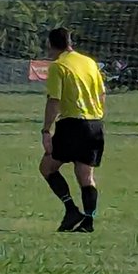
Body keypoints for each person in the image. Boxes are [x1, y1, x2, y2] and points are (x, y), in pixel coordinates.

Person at [39, 27, 105, 233]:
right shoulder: (89, 62)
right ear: (70, 42)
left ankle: (71, 210)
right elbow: (102, 94)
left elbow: (54, 100)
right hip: (95, 124)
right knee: (86, 175)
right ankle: (89, 221)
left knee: (47, 167)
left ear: (50, 45)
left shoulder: (58, 66)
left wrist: (46, 130)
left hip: (73, 124)